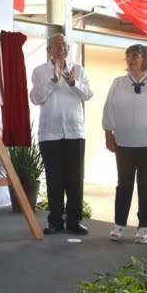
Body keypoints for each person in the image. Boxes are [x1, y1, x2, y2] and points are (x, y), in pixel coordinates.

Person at [103, 44, 147, 244]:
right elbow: (108, 108)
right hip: (124, 142)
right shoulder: (118, 83)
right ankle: (118, 225)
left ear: (145, 58)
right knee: (123, 184)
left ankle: (143, 228)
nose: (130, 59)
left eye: (135, 55)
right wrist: (108, 133)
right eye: (128, 56)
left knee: (146, 186)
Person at [29, 33, 93, 236]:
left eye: (64, 45)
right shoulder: (40, 71)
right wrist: (53, 81)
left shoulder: (78, 69)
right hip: (50, 133)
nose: (61, 49)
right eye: (57, 46)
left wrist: (74, 83)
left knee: (75, 178)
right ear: (48, 50)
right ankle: (55, 221)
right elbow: (36, 99)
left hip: (75, 131)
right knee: (54, 178)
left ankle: (74, 221)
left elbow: (88, 94)